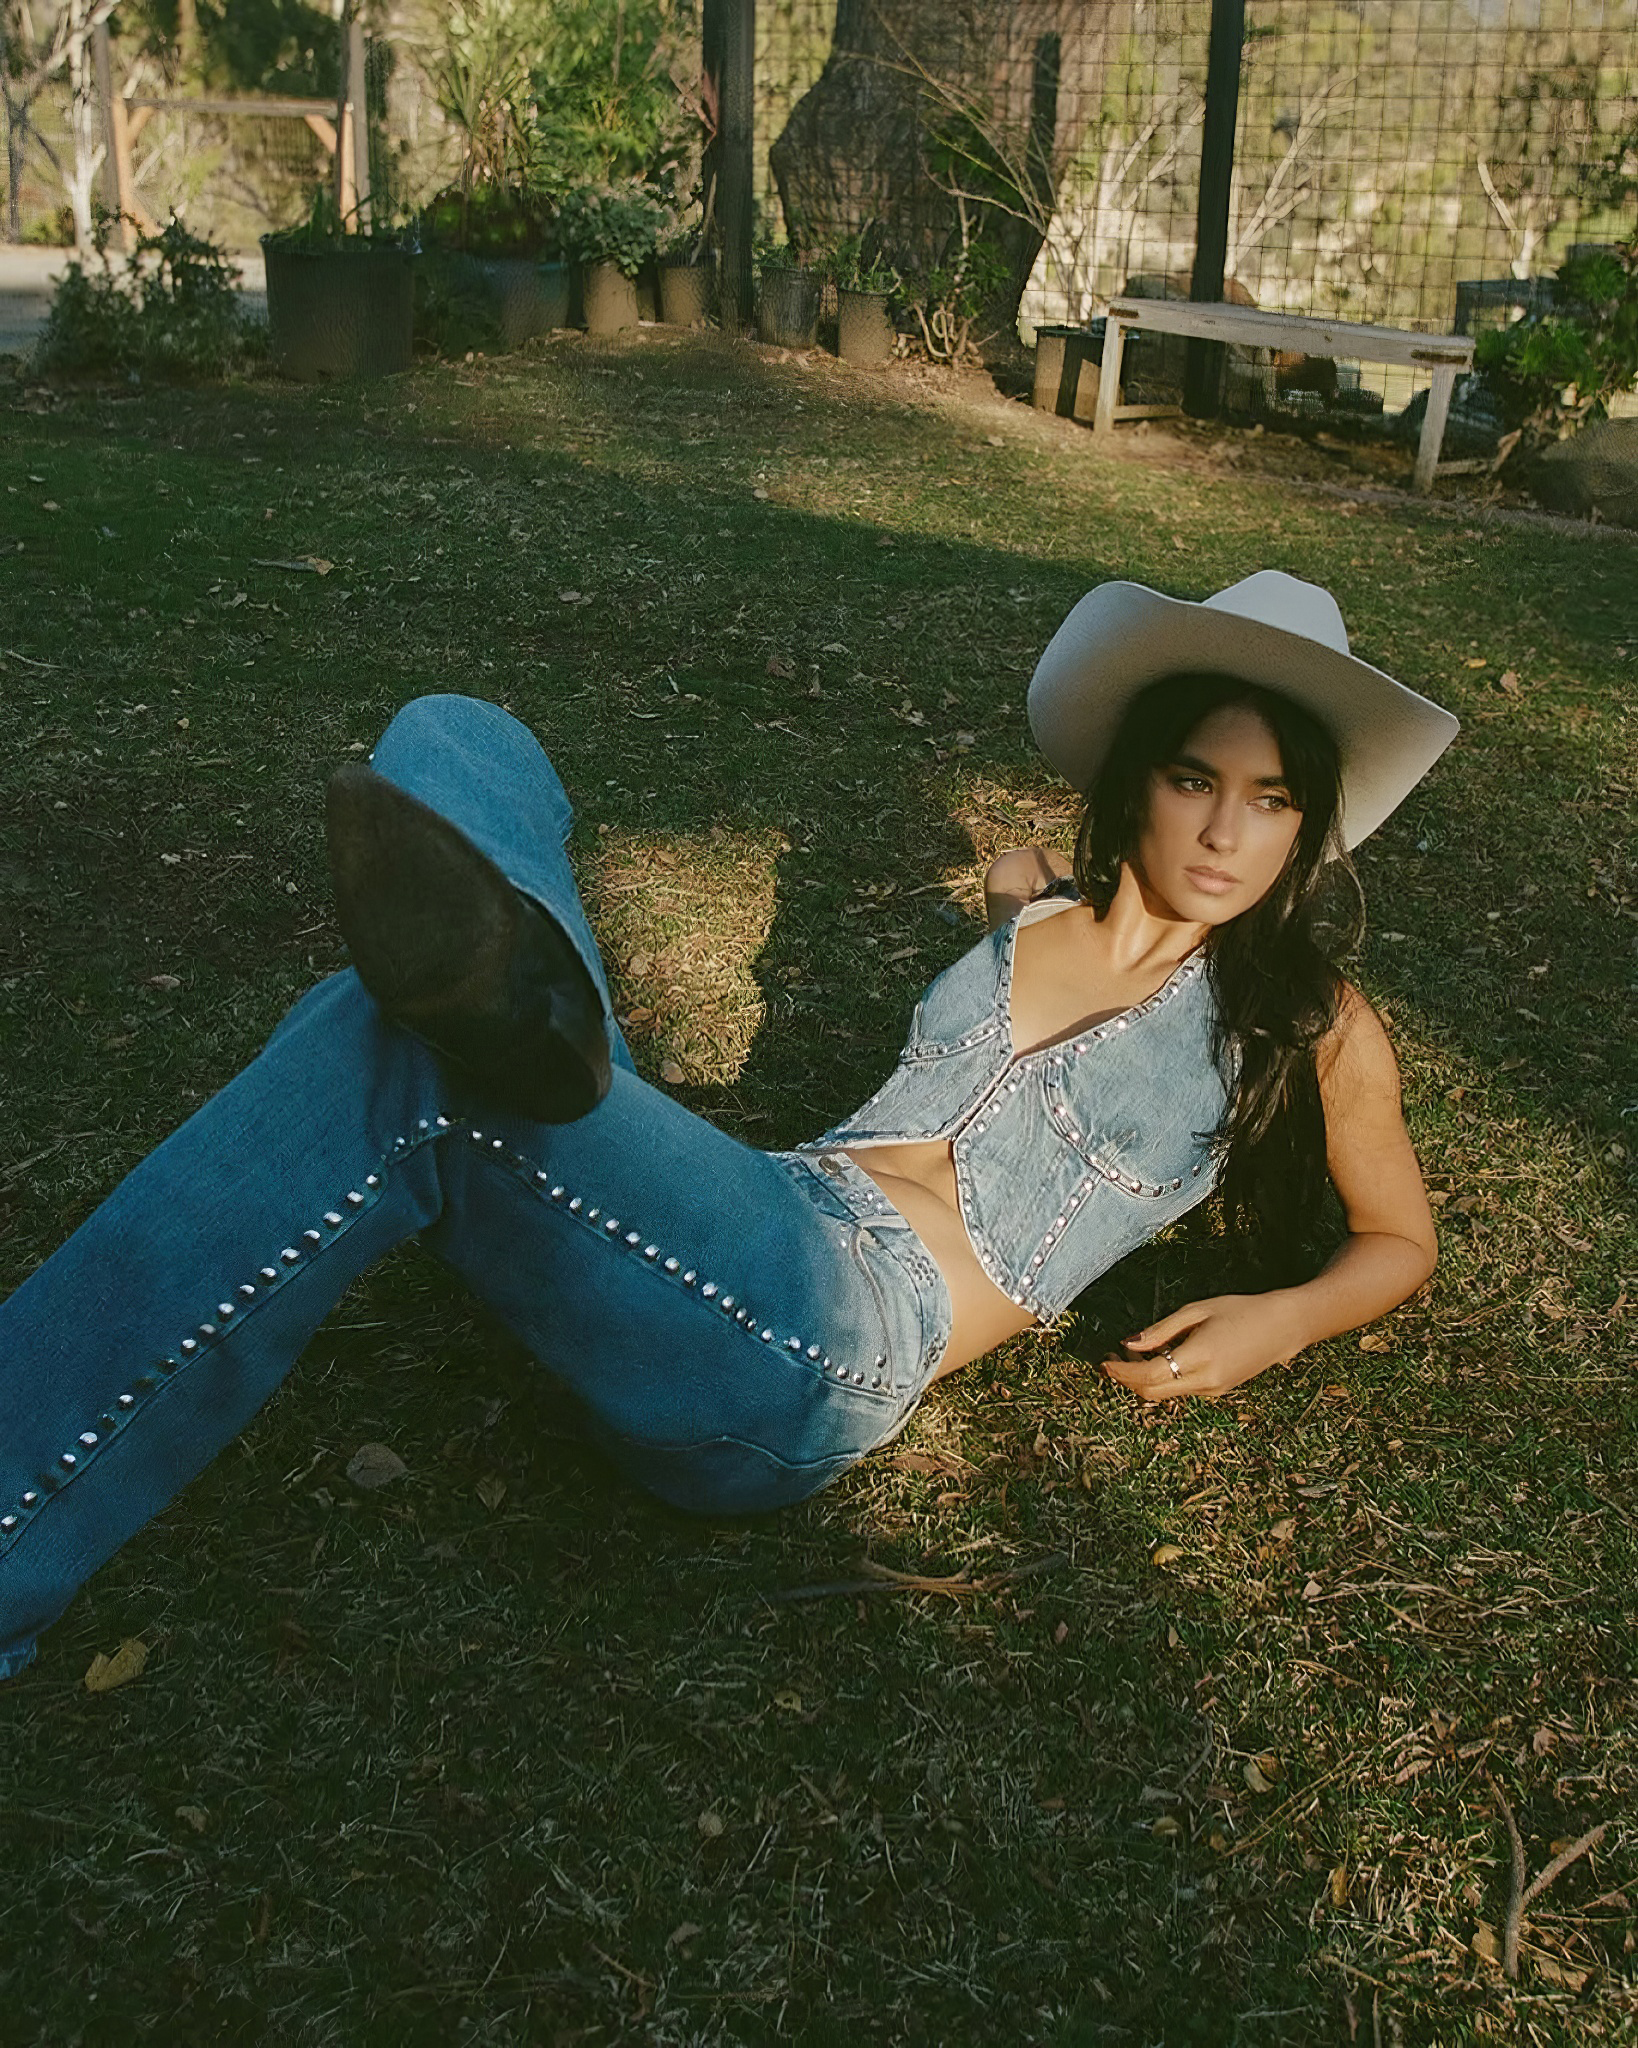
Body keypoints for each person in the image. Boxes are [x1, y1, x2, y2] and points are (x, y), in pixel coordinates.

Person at [0, 571, 1457, 1682]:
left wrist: (1282, 1320)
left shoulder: (1308, 1017)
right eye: (1195, 779)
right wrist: (1015, 890)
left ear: (1306, 826)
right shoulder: (1042, 921)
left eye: (1269, 801)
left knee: (379, 1048)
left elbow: (1398, 1238)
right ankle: (525, 1020)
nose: (1221, 833)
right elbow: (1024, 896)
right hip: (751, 1207)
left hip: (826, 1334)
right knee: (462, 733)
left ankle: (514, 1030)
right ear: (1134, 777)